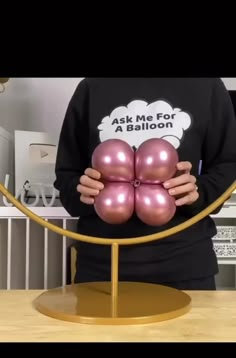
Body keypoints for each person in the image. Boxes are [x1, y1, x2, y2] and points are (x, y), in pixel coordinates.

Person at [54, 78, 236, 290]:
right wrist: (82, 192)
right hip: (102, 269)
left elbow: (228, 166)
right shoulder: (91, 87)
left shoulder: (207, 84)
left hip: (186, 266)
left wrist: (199, 192)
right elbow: (66, 176)